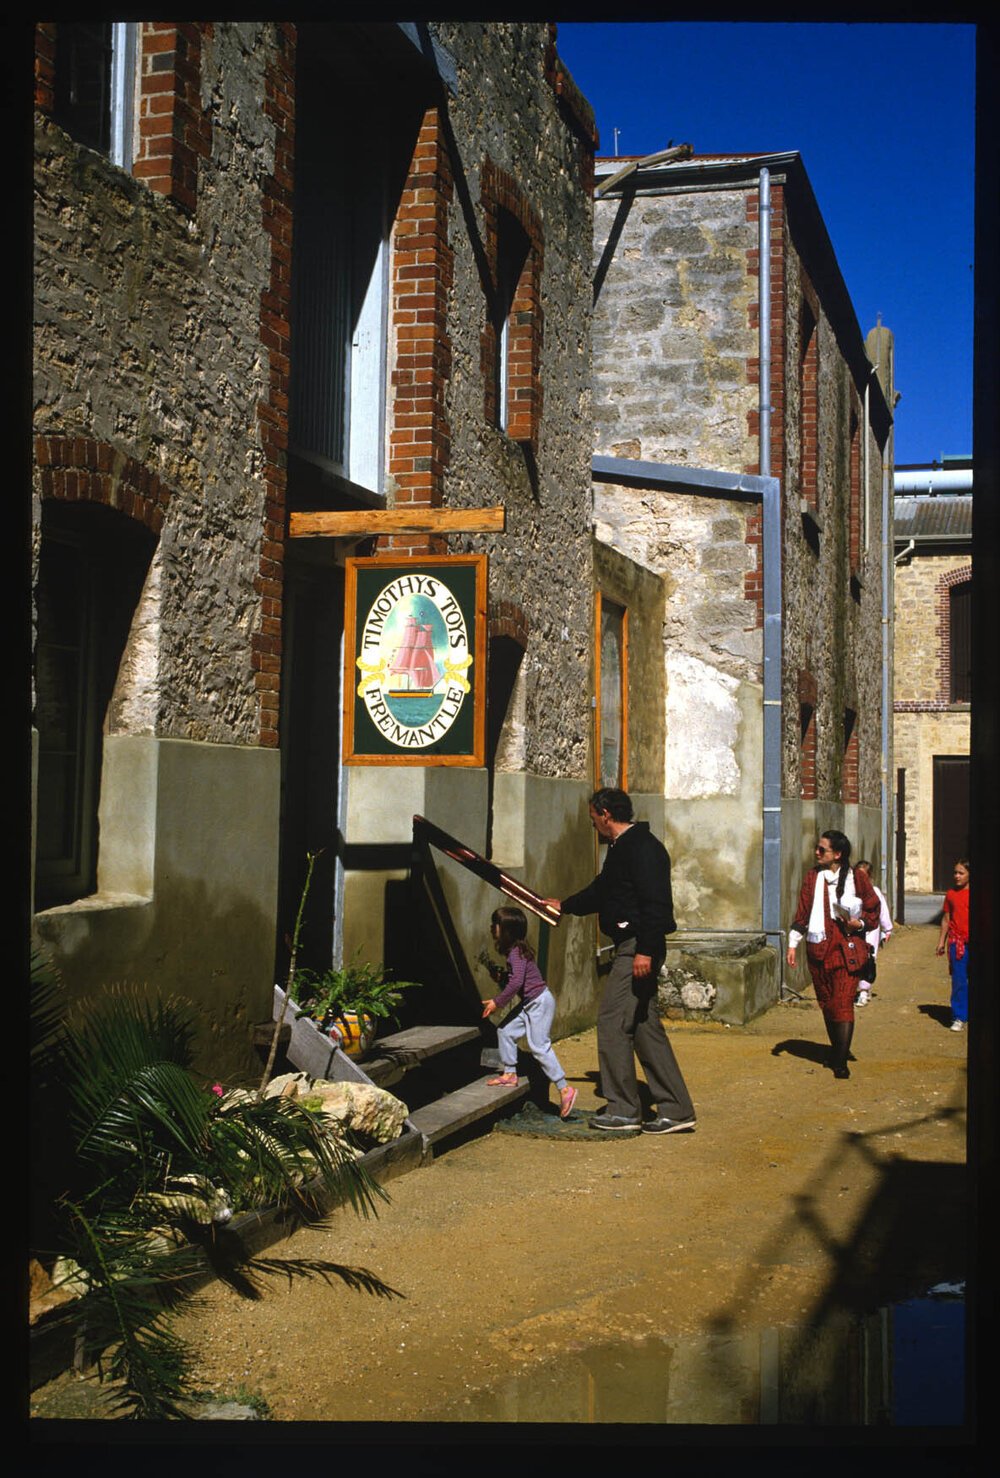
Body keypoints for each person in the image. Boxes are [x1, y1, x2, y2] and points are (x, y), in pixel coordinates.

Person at [543, 788, 695, 1135]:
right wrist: (564, 905)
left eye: (593, 817)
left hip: (637, 947)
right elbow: (603, 891)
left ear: (605, 814)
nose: (591, 823)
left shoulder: (642, 848)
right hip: (635, 945)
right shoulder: (624, 848)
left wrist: (645, 950)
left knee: (612, 1022)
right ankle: (676, 1109)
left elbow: (656, 905)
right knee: (643, 1027)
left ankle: (624, 1110)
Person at [786, 830, 881, 1079]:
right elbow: (803, 912)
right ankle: (836, 1049)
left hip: (846, 949)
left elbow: (873, 911)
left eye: (822, 850)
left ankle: (840, 1061)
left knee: (843, 1002)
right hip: (818, 949)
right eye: (817, 849)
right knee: (828, 1003)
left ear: (837, 854)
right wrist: (793, 944)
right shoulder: (812, 877)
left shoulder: (856, 878)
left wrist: (858, 924)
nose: (817, 853)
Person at [481, 906, 578, 1119]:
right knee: (505, 1031)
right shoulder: (515, 952)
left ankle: (564, 1089)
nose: (491, 929)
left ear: (505, 930)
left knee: (539, 1047)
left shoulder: (516, 953)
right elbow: (517, 979)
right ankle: (509, 1074)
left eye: (495, 925)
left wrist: (497, 1002)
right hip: (530, 1002)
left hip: (539, 1003)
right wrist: (502, 979)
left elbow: (517, 983)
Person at [853, 859, 893, 1006]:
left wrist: (887, 929)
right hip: (854, 930)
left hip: (871, 930)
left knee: (868, 959)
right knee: (854, 958)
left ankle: (863, 991)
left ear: (868, 876)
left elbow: (883, 912)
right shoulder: (851, 891)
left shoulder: (874, 892)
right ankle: (855, 988)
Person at [936, 859, 970, 1031]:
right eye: (955, 872)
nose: (957, 876)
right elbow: (946, 919)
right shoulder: (951, 894)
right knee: (959, 980)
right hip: (957, 943)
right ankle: (959, 1016)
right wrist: (942, 941)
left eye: (961, 873)